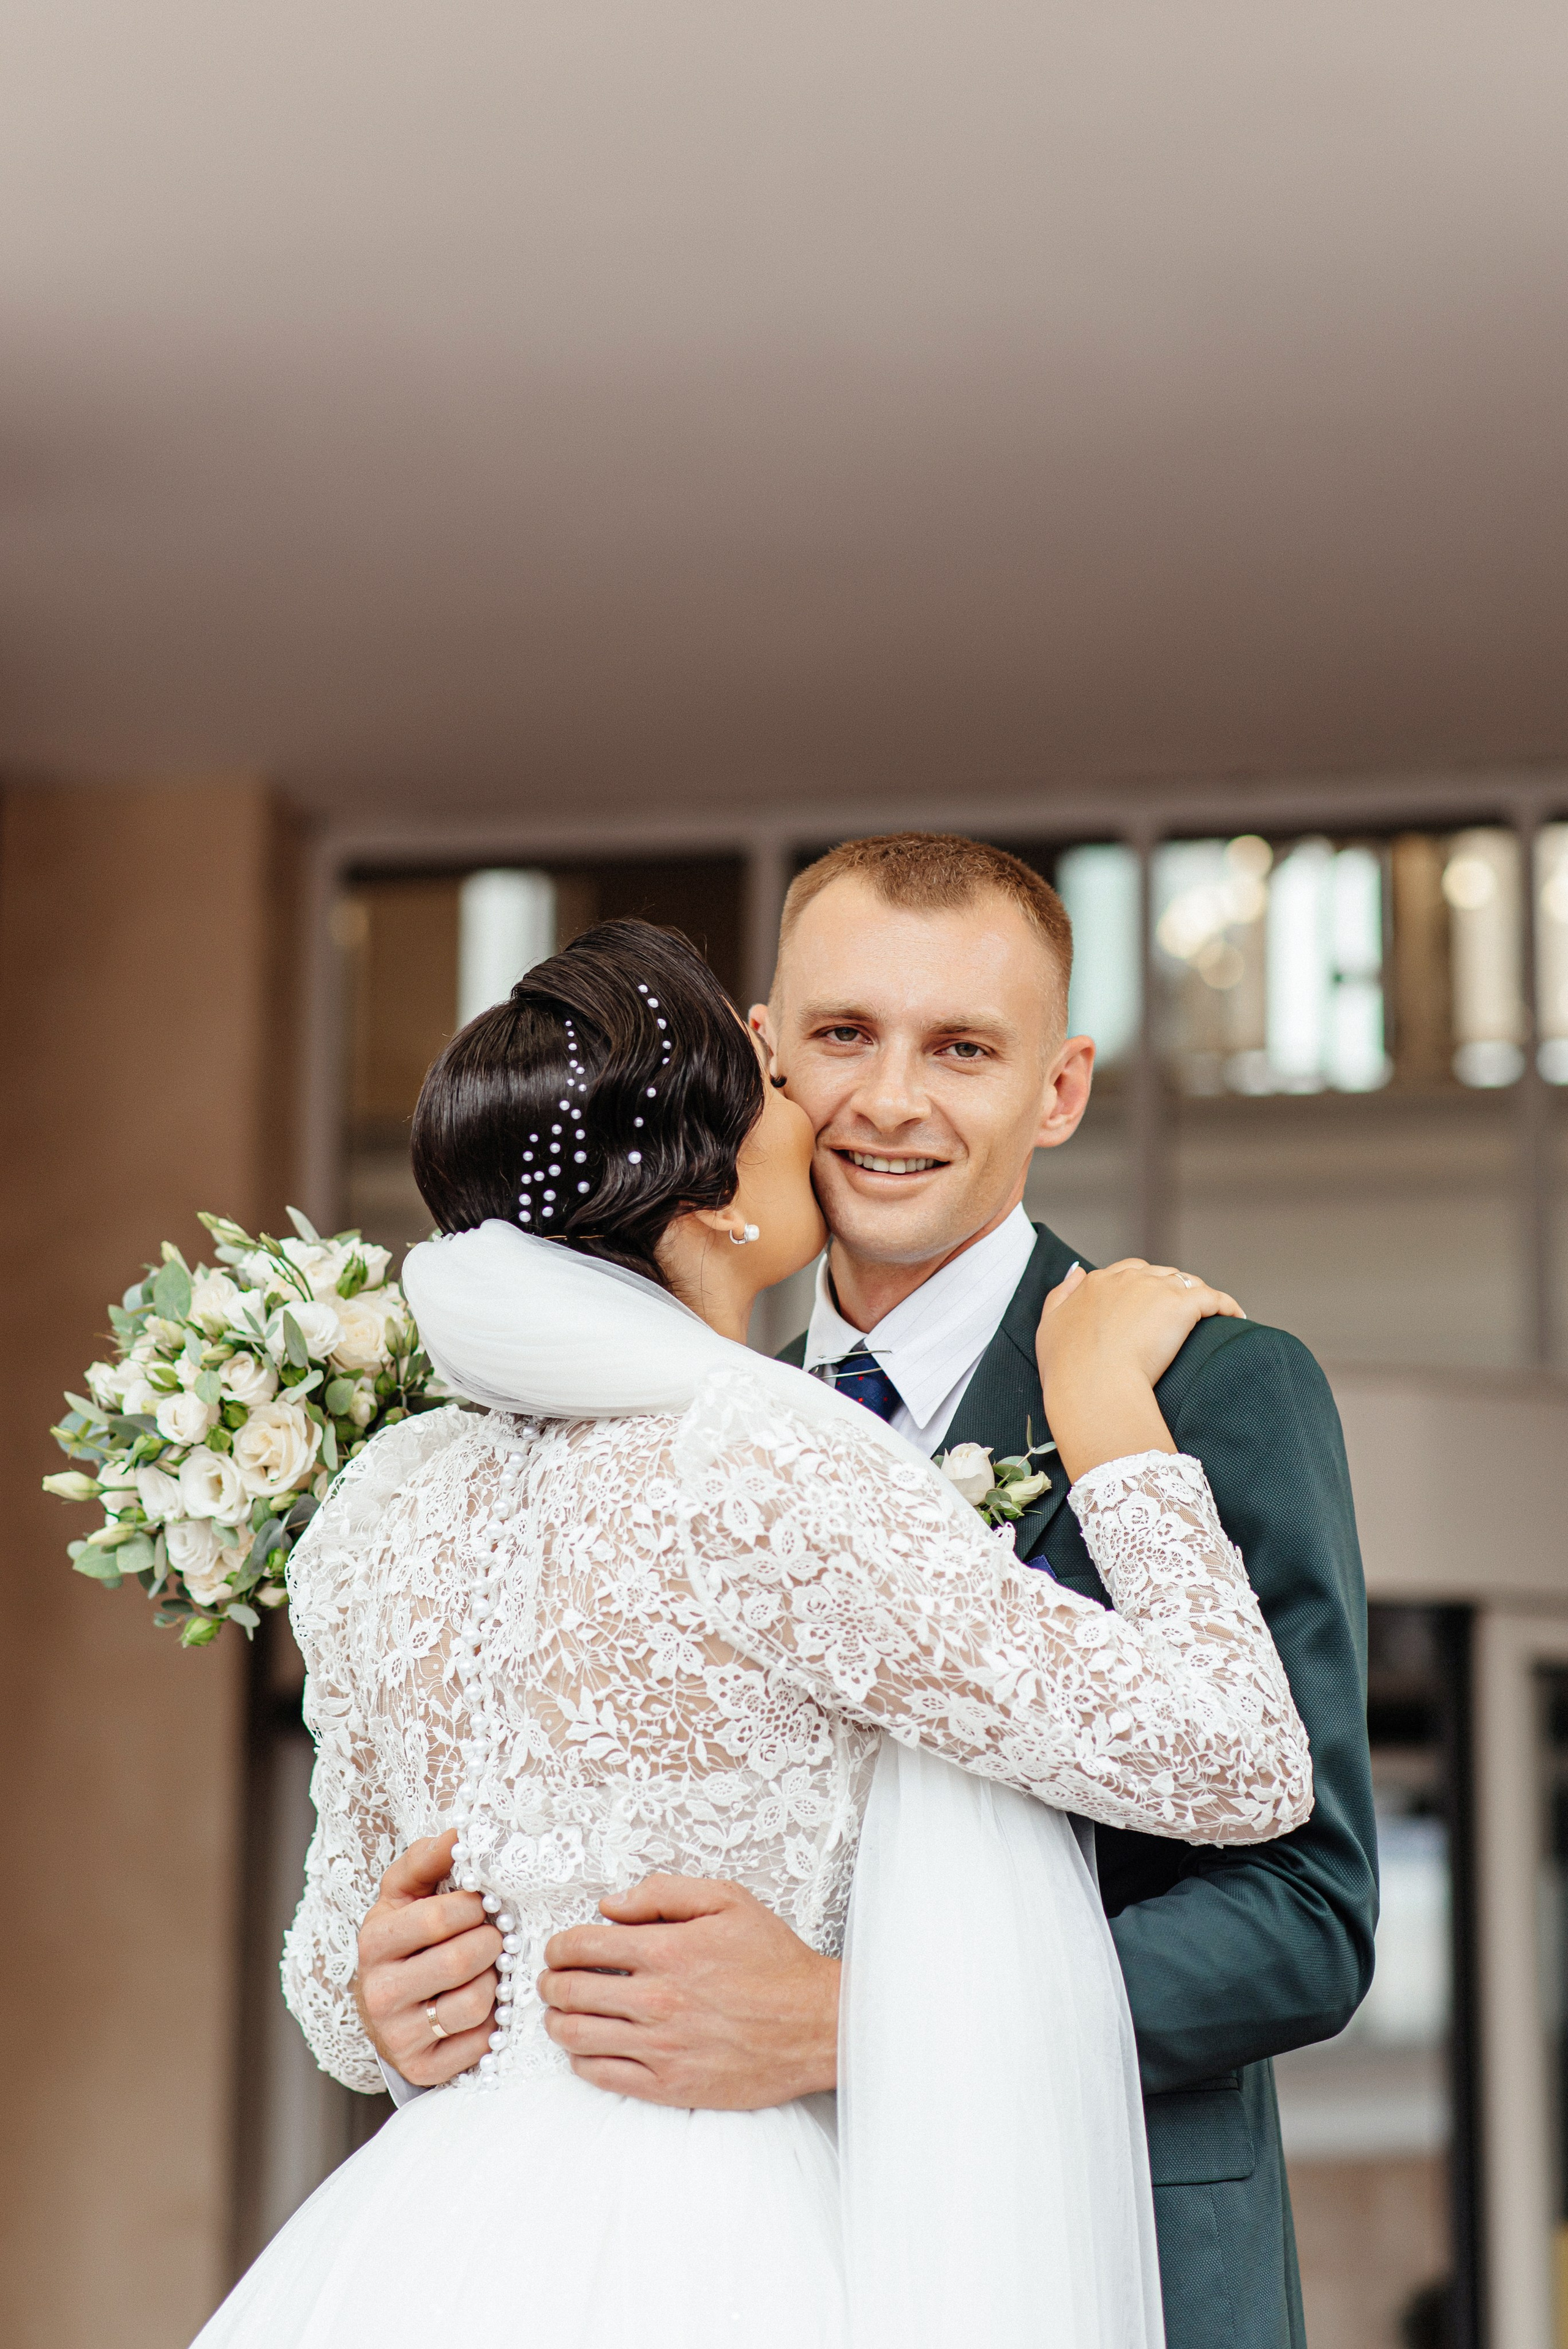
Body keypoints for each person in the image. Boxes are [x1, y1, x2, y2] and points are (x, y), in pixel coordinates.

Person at [199, 915, 1311, 2349]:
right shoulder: (764, 1457)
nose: (838, 1110)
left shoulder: (384, 1501)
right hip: (733, 2232)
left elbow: (338, 1977)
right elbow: (1236, 1763)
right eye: (786, 1078)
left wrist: (377, 1993)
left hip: (441, 2234)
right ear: (719, 1199)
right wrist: (1111, 1441)